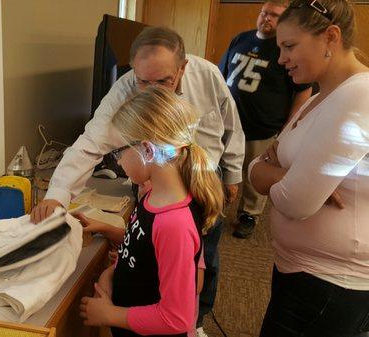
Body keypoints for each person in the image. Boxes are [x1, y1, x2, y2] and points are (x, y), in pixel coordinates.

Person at [31, 27, 245, 336]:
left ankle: (198, 323)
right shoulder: (148, 196)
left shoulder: (208, 75)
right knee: (176, 259)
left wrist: (234, 173)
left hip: (201, 178)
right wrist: (58, 195)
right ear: (132, 70)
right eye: (142, 81)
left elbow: (231, 124)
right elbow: (92, 142)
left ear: (183, 68)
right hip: (158, 177)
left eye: (163, 81)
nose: (152, 90)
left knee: (200, 258)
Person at [248, 1, 369, 336]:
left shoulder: (358, 96)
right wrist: (286, 175)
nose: (281, 59)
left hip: (330, 285)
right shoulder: (319, 98)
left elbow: (295, 201)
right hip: (302, 273)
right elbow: (257, 167)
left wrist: (279, 174)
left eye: (289, 46)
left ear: (331, 37)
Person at [78, 86, 224, 337]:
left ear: (147, 150)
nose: (119, 162)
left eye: (118, 152)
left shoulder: (174, 224)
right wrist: (111, 272)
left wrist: (109, 315)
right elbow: (145, 245)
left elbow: (176, 318)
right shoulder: (152, 197)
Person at [219, 0, 312, 239]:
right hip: (229, 123)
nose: (266, 18)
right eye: (264, 13)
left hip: (262, 126)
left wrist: (289, 126)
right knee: (221, 168)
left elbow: (303, 89)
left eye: (274, 15)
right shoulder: (241, 39)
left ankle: (249, 214)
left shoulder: (285, 48)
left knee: (253, 174)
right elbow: (221, 77)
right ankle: (214, 205)